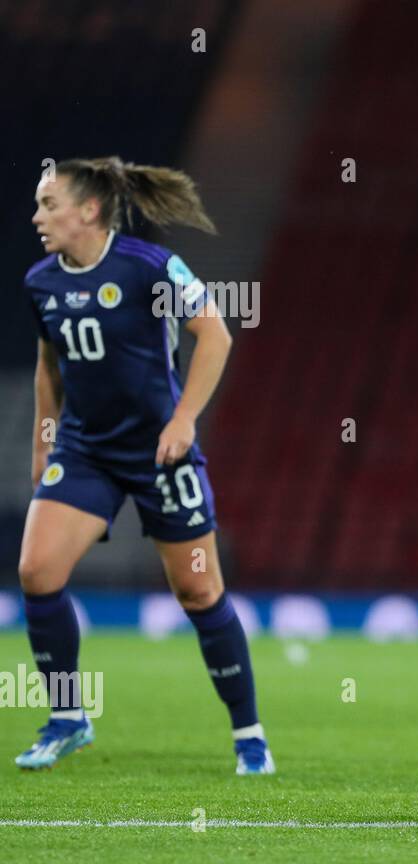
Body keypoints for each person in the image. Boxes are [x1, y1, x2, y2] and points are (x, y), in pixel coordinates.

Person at [17, 156, 272, 775]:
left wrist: (184, 419)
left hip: (161, 452)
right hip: (85, 451)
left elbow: (214, 334)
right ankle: (68, 717)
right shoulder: (41, 281)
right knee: (36, 571)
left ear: (90, 210)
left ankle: (248, 734)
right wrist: (43, 441)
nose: (37, 216)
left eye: (49, 204)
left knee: (199, 590)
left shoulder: (148, 268)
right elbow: (50, 365)